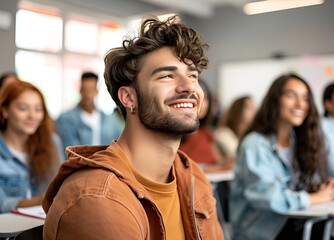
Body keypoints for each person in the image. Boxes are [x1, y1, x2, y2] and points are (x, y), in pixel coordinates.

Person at [42, 16, 224, 239]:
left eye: (192, 75)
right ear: (129, 98)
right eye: (167, 75)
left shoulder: (193, 176)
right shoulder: (97, 197)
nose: (189, 87)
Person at [229, 73, 334, 240]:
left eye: (305, 98)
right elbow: (268, 198)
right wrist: (314, 198)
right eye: (291, 95)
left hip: (293, 222)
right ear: (275, 100)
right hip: (263, 231)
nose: (300, 104)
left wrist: (323, 188)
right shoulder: (255, 144)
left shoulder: (298, 141)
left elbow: (300, 186)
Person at [0, 81, 63, 213]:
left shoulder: (52, 142)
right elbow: (2, 204)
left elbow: (62, 185)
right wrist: (44, 199)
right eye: (23, 108)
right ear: (5, 111)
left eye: (38, 109)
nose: (32, 116)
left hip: (45, 226)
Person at [56, 72, 121, 151]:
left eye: (91, 90)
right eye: (84, 90)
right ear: (80, 90)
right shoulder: (66, 119)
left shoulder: (109, 120)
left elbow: (117, 146)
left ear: (96, 91)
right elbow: (69, 151)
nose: (87, 94)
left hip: (105, 162)